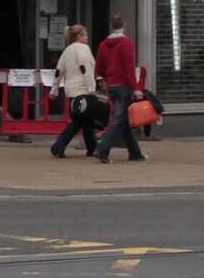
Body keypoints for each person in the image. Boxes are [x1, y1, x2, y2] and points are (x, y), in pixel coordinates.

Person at [91, 14, 144, 165]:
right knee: (119, 119)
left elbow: (99, 67)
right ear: (124, 25)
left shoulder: (103, 44)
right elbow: (129, 68)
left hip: (111, 86)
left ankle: (135, 152)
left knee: (123, 121)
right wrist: (136, 88)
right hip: (123, 86)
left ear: (110, 26)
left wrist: (103, 81)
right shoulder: (126, 43)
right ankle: (102, 150)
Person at [48, 24, 100, 160]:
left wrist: (54, 89)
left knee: (87, 119)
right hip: (82, 89)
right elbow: (86, 69)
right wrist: (91, 88)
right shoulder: (83, 49)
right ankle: (58, 146)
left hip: (71, 89)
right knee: (79, 119)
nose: (87, 37)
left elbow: (59, 70)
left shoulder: (67, 50)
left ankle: (92, 148)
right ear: (79, 36)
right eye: (85, 34)